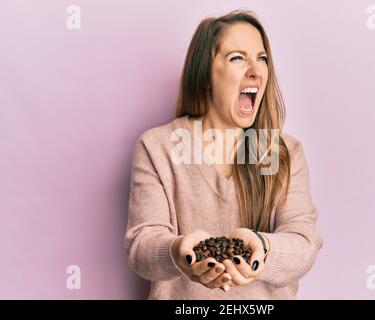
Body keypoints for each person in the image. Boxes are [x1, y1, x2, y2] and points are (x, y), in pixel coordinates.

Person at [123, 10, 323, 299]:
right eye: (237, 58)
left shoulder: (282, 152)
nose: (256, 70)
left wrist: (263, 248)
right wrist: (179, 252)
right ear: (205, 74)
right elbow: (141, 247)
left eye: (262, 58)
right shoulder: (158, 147)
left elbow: (304, 243)